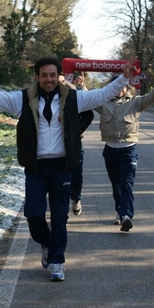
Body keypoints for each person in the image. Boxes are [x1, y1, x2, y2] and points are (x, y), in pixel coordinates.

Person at [0, 56, 136, 281]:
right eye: (44, 75)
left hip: (62, 167)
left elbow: (101, 94)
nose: (49, 79)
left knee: (59, 216)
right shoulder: (22, 99)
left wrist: (124, 78)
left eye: (53, 75)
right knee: (33, 214)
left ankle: (56, 261)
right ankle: (46, 242)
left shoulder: (73, 98)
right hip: (36, 168)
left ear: (58, 76)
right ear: (37, 77)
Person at [94, 72, 154, 232]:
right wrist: (80, 85)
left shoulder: (135, 102)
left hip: (128, 151)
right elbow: (87, 98)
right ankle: (120, 210)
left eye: (122, 86)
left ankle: (126, 216)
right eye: (116, 86)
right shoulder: (102, 102)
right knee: (116, 185)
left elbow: (151, 98)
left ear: (127, 87)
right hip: (110, 151)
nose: (119, 89)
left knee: (126, 184)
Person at [59, 72, 94, 215]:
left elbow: (89, 114)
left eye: (62, 81)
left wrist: (76, 130)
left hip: (74, 145)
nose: (59, 83)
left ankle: (76, 198)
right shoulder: (45, 96)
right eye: (58, 80)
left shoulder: (72, 95)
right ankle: (60, 211)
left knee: (76, 177)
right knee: (59, 178)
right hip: (55, 147)